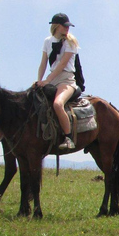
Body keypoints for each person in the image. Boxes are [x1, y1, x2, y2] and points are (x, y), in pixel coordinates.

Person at [36, 13, 79, 150]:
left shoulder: (70, 42)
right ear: (56, 26)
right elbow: (43, 63)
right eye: (64, 26)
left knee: (57, 104)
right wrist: (39, 81)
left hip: (66, 79)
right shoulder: (48, 41)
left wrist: (47, 80)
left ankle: (68, 138)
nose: (67, 29)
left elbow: (62, 65)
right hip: (52, 78)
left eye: (68, 26)